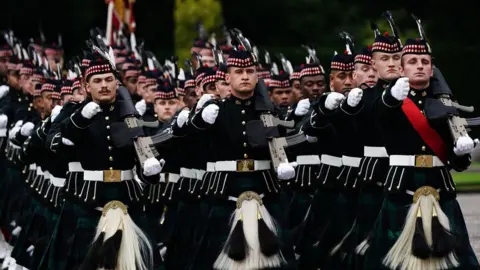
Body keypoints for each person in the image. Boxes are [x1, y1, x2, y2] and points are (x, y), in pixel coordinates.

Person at [365, 37, 480, 270]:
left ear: (431, 68)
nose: (419, 66)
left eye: (425, 61)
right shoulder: (390, 99)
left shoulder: (445, 103)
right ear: (401, 68)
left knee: (457, 260)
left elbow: (458, 163)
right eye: (413, 61)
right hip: (402, 186)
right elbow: (377, 116)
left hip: (440, 186)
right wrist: (391, 97)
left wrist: (461, 152)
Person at [188, 47, 296, 270]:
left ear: (258, 76)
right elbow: (191, 140)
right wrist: (199, 119)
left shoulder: (271, 113)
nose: (245, 76)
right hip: (225, 193)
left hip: (265, 191)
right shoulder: (215, 111)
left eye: (249, 71)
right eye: (238, 71)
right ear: (228, 77)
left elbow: (286, 143)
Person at [53, 58, 164, 270]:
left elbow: (144, 155)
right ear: (87, 86)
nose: (104, 85)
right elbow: (59, 143)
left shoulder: (130, 116)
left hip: (127, 198)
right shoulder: (76, 113)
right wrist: (80, 119)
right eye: (97, 80)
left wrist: (150, 170)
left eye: (108, 79)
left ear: (116, 83)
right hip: (90, 200)